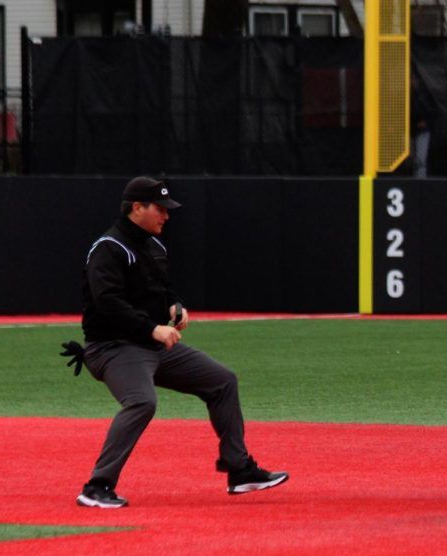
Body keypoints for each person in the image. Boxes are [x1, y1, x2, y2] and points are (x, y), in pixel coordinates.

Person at [62, 176, 289, 508]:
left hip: (150, 347)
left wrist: (175, 305)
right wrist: (153, 329)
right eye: (160, 208)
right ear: (136, 208)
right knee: (142, 402)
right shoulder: (108, 249)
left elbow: (161, 291)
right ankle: (97, 486)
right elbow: (106, 302)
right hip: (112, 348)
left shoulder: (154, 246)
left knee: (222, 382)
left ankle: (240, 471)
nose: (166, 215)